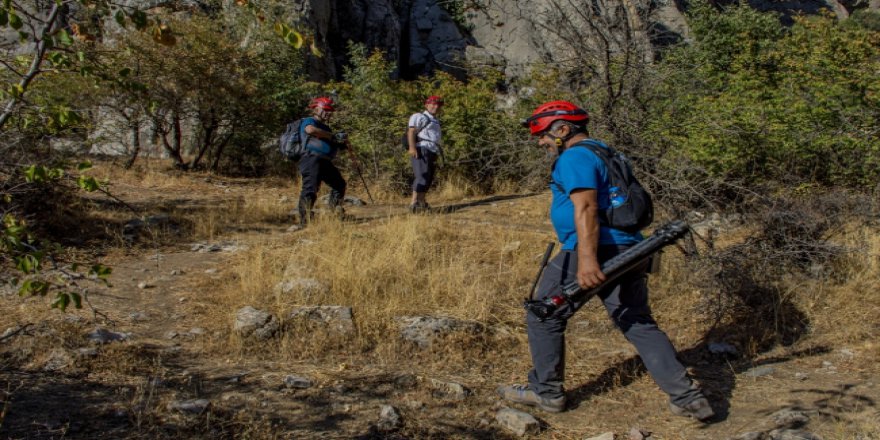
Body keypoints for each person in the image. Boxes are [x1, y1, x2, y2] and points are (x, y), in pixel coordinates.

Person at [497, 100, 714, 421]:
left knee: (543, 314)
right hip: (629, 248)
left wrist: (587, 260)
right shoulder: (606, 151)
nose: (541, 142)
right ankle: (688, 398)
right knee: (637, 320)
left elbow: (585, 208)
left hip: (592, 249)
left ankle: (546, 392)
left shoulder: (574, 156)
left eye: (542, 135)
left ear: (562, 129)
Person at [294, 96, 350, 229]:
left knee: (339, 184)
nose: (328, 113)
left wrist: (340, 143)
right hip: (310, 159)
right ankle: (305, 221)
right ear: (317, 109)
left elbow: (329, 141)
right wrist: (332, 136)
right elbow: (310, 130)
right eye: (325, 110)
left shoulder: (325, 128)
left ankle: (334, 212)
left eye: (330, 111)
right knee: (310, 188)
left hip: (324, 161)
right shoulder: (310, 121)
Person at [406, 95, 443, 213]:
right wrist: (412, 148)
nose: (436, 107)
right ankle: (414, 203)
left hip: (432, 150)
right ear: (426, 105)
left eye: (438, 105)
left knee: (428, 177)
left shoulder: (435, 120)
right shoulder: (419, 116)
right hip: (422, 149)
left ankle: (421, 202)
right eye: (433, 104)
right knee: (421, 176)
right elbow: (411, 131)